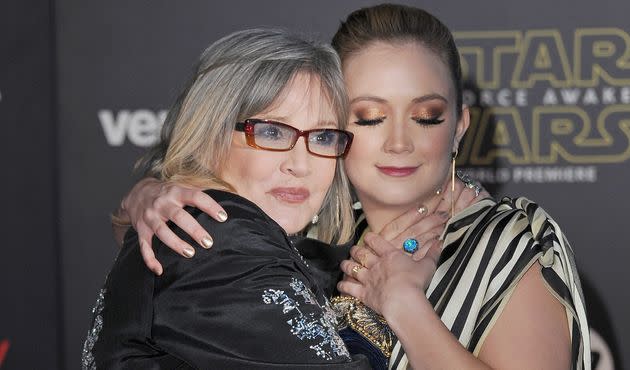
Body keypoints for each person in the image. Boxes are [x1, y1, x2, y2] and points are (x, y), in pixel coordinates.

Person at [113, 4, 590, 370]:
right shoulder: (314, 231)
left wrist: (404, 304)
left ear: (460, 126)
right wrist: (157, 194)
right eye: (370, 117)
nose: (400, 142)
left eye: (426, 116)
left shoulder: (505, 241)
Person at [82, 28, 372, 369]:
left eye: (323, 136)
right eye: (271, 131)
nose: (300, 165)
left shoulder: (244, 238)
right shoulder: (222, 238)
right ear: (209, 133)